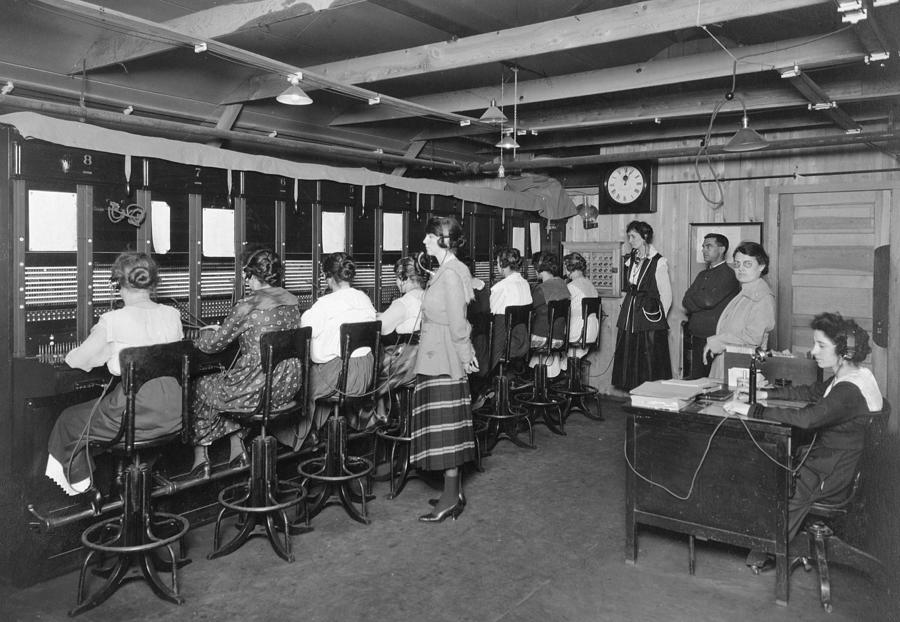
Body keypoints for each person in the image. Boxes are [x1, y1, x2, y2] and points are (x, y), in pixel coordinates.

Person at [723, 313, 883, 570]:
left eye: (821, 345)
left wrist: (751, 410)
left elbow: (808, 419)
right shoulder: (855, 376)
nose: (813, 351)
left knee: (773, 478)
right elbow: (811, 392)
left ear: (844, 351)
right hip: (834, 464)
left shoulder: (849, 390)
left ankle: (768, 548)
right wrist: (764, 393)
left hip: (830, 475)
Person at [45, 252, 183, 501]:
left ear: (118, 284)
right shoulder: (172, 315)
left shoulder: (112, 320)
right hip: (173, 411)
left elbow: (81, 360)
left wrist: (71, 355)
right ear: (152, 283)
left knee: (68, 419)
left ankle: (85, 489)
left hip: (134, 415)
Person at [191, 248, 302, 477]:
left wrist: (204, 335)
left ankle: (201, 457)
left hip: (258, 390)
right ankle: (236, 449)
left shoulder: (247, 305)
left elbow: (214, 345)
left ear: (250, 276)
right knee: (231, 388)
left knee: (203, 385)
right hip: (288, 386)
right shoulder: (292, 301)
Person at [412, 216, 478, 523]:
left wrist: (465, 356)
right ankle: (454, 492)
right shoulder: (446, 271)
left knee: (447, 428)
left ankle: (451, 498)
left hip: (445, 358)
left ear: (442, 240)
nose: (424, 241)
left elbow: (456, 322)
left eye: (428, 237)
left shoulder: (451, 274)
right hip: (437, 353)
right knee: (446, 425)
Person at [284, 252, 377, 446]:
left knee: (299, 383)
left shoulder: (325, 304)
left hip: (342, 376)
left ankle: (304, 438)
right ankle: (323, 432)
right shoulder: (364, 298)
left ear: (328, 278)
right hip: (366, 374)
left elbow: (303, 330)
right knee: (320, 372)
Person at [612, 220, 672, 391]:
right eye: (628, 236)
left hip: (648, 317)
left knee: (648, 363)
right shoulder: (631, 259)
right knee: (629, 359)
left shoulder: (658, 261)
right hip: (630, 315)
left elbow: (666, 295)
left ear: (645, 237)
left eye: (633, 236)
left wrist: (658, 321)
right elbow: (629, 287)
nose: (630, 240)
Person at [703, 241, 775, 382]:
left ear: (761, 266)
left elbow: (752, 338)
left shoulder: (762, 297)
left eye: (747, 264)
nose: (741, 268)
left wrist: (716, 342)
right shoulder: (745, 292)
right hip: (730, 363)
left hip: (741, 367)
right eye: (737, 264)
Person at [374, 256, 427, 420]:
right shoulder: (429, 295)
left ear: (403, 279)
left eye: (397, 279)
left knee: (370, 374)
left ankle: (379, 419)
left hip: (408, 364)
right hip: (427, 361)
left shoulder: (404, 302)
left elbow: (382, 328)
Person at [682, 233, 740, 379]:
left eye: (709, 246)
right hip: (697, 337)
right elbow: (685, 301)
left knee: (712, 382)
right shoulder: (702, 274)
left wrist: (697, 301)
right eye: (703, 246)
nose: (704, 250)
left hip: (715, 339)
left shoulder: (728, 274)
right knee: (697, 380)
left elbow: (708, 300)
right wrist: (699, 302)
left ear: (722, 249)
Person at [489, 246, 533, 374]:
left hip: (506, 344)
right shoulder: (525, 284)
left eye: (497, 263)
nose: (497, 266)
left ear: (502, 264)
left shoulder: (500, 288)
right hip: (523, 342)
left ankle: (483, 385)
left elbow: (491, 316)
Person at [528, 252, 570, 378]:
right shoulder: (563, 284)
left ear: (538, 269)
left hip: (543, 339)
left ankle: (533, 381)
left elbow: (528, 310)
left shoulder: (541, 289)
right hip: (560, 339)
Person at [564, 251, 600, 360]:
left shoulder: (571, 286)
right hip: (592, 331)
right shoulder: (590, 285)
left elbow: (563, 309)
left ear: (569, 268)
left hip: (578, 331)